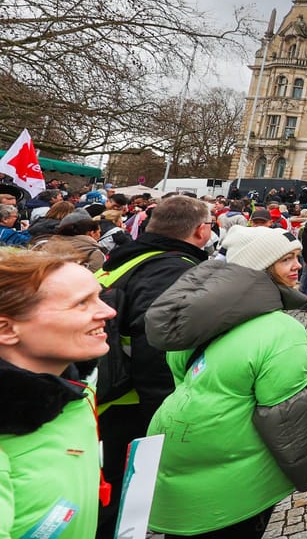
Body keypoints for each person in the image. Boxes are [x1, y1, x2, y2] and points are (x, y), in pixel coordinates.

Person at [143, 226, 307, 539]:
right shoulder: (281, 330)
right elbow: (286, 415)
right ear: (262, 268)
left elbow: (180, 377)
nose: (299, 266)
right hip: (236, 475)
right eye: (287, 260)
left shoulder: (200, 318)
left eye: (297, 257)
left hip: (179, 457)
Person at [95, 194, 212, 539]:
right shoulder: (170, 268)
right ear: (201, 230)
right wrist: (164, 413)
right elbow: (157, 341)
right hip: (131, 403)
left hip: (111, 393)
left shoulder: (130, 258)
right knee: (121, 501)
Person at [0, 252, 117, 539]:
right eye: (81, 303)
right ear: (6, 329)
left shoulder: (71, 391)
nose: (108, 312)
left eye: (98, 297)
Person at [37, 212, 107, 272]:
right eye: (99, 232)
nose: (100, 235)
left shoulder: (49, 243)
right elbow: (95, 277)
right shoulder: (94, 253)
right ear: (91, 233)